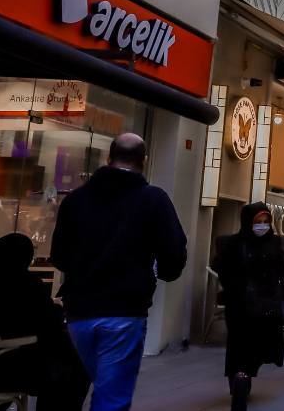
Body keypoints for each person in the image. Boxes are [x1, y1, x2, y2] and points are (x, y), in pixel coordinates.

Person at [52, 133, 186, 411]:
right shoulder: (154, 199)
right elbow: (173, 258)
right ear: (144, 161)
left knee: (99, 386)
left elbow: (60, 257)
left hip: (79, 313)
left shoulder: (75, 199)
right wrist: (154, 269)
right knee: (111, 397)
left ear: (108, 158)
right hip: (124, 312)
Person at [0, 233, 91, 411]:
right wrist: (59, 310)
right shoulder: (29, 285)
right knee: (75, 362)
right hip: (12, 372)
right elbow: (49, 324)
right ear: (27, 259)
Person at [211, 203, 284, 395]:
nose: (262, 226)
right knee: (239, 347)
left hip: (267, 303)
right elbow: (221, 268)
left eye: (266, 222)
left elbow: (281, 270)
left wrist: (279, 288)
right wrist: (237, 287)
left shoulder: (274, 243)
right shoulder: (233, 243)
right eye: (258, 222)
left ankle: (246, 376)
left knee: (261, 345)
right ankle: (240, 386)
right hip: (240, 305)